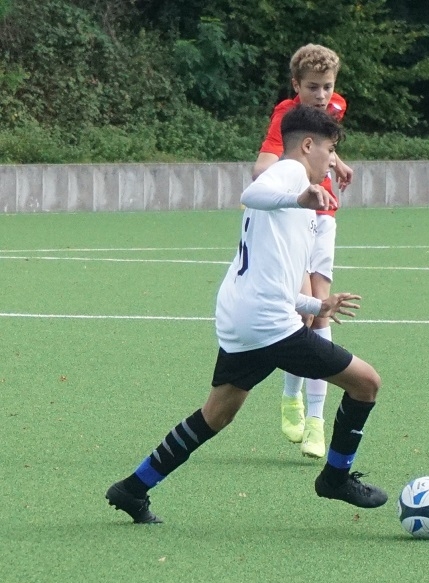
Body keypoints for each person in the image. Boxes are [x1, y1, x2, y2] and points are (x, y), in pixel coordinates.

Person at [105, 105, 387, 524]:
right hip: (266, 324)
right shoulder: (290, 174)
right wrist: (298, 197)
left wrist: (318, 306)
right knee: (366, 384)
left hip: (243, 315)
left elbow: (274, 283)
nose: (332, 160)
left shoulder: (297, 194)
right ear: (308, 145)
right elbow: (251, 193)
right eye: (329, 150)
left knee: (216, 414)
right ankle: (335, 478)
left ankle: (132, 488)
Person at [252, 44, 355, 459]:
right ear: (296, 85)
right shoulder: (286, 116)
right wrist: (295, 187)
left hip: (325, 215)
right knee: (305, 312)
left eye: (327, 87)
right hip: (296, 216)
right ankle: (290, 397)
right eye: (313, 87)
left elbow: (319, 144)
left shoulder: (337, 106)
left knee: (322, 310)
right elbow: (264, 166)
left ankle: (316, 421)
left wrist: (336, 161)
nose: (322, 95)